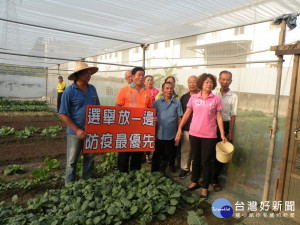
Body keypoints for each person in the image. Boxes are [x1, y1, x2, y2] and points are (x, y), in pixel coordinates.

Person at [175, 73, 226, 199]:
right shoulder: (194, 98)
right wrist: (180, 128)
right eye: (206, 82)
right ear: (201, 84)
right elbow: (187, 114)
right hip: (194, 133)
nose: (209, 84)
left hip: (209, 135)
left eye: (211, 82)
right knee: (195, 159)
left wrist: (222, 133)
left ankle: (205, 187)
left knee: (206, 161)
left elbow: (219, 117)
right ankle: (194, 181)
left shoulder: (216, 99)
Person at [59, 61, 100, 185]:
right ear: (78, 75)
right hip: (74, 133)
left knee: (89, 159)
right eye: (87, 73)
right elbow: (63, 113)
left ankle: (87, 185)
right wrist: (77, 130)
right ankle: (69, 187)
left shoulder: (92, 89)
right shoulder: (69, 91)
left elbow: (98, 108)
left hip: (90, 132)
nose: (89, 75)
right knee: (72, 161)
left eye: (90, 73)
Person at [115, 67, 153, 172]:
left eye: (143, 75)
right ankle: (122, 174)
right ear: (132, 76)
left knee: (137, 152)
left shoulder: (147, 91)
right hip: (127, 127)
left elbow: (149, 108)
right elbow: (117, 106)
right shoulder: (124, 90)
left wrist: (152, 117)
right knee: (124, 152)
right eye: (139, 75)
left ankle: (134, 175)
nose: (141, 77)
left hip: (140, 128)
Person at [211, 70, 238, 192]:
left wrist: (230, 131)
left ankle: (215, 180)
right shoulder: (213, 93)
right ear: (219, 80)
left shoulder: (233, 96)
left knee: (221, 154)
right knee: (209, 152)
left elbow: (233, 115)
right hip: (211, 124)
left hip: (225, 125)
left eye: (228, 79)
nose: (225, 82)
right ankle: (207, 178)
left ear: (231, 81)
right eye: (223, 79)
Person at [151, 82, 183, 173]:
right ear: (162, 90)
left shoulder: (177, 103)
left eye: (171, 88)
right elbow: (152, 117)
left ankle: (162, 172)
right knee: (156, 154)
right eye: (167, 88)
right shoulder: (156, 103)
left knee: (167, 154)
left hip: (171, 134)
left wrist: (179, 131)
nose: (169, 90)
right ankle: (153, 172)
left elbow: (179, 118)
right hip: (159, 133)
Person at [178, 75, 199, 179]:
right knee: (185, 149)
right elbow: (181, 114)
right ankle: (184, 169)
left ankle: (193, 170)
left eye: (194, 82)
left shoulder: (202, 96)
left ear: (198, 83)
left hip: (199, 129)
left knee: (196, 151)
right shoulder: (184, 97)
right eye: (190, 82)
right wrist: (180, 128)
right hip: (186, 128)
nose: (192, 84)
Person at [144, 75, 159, 163]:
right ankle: (144, 154)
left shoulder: (156, 92)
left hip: (154, 116)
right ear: (144, 82)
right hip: (143, 116)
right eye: (148, 80)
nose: (149, 82)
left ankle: (149, 154)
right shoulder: (142, 91)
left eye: (151, 80)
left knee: (151, 135)